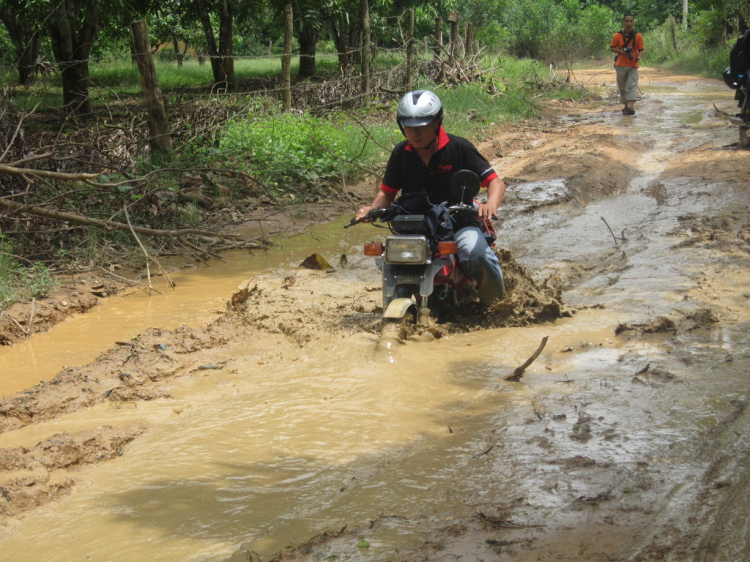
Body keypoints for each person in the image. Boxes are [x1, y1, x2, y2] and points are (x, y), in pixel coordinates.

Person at [355, 89, 506, 306]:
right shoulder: (401, 154)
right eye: (409, 127)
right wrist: (372, 210)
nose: (415, 134)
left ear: (436, 123)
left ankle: (497, 306)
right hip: (417, 226)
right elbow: (386, 193)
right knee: (390, 261)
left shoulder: (459, 148)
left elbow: (495, 181)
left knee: (476, 254)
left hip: (458, 223)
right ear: (401, 126)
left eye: (422, 127)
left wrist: (490, 204)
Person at [610, 14, 645, 116]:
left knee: (632, 85)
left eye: (630, 21)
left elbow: (641, 50)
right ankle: (626, 106)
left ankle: (630, 106)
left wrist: (637, 58)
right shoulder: (617, 36)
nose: (628, 23)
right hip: (620, 65)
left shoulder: (637, 36)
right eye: (626, 21)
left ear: (633, 22)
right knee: (622, 87)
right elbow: (612, 48)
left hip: (633, 65)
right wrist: (621, 51)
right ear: (623, 22)